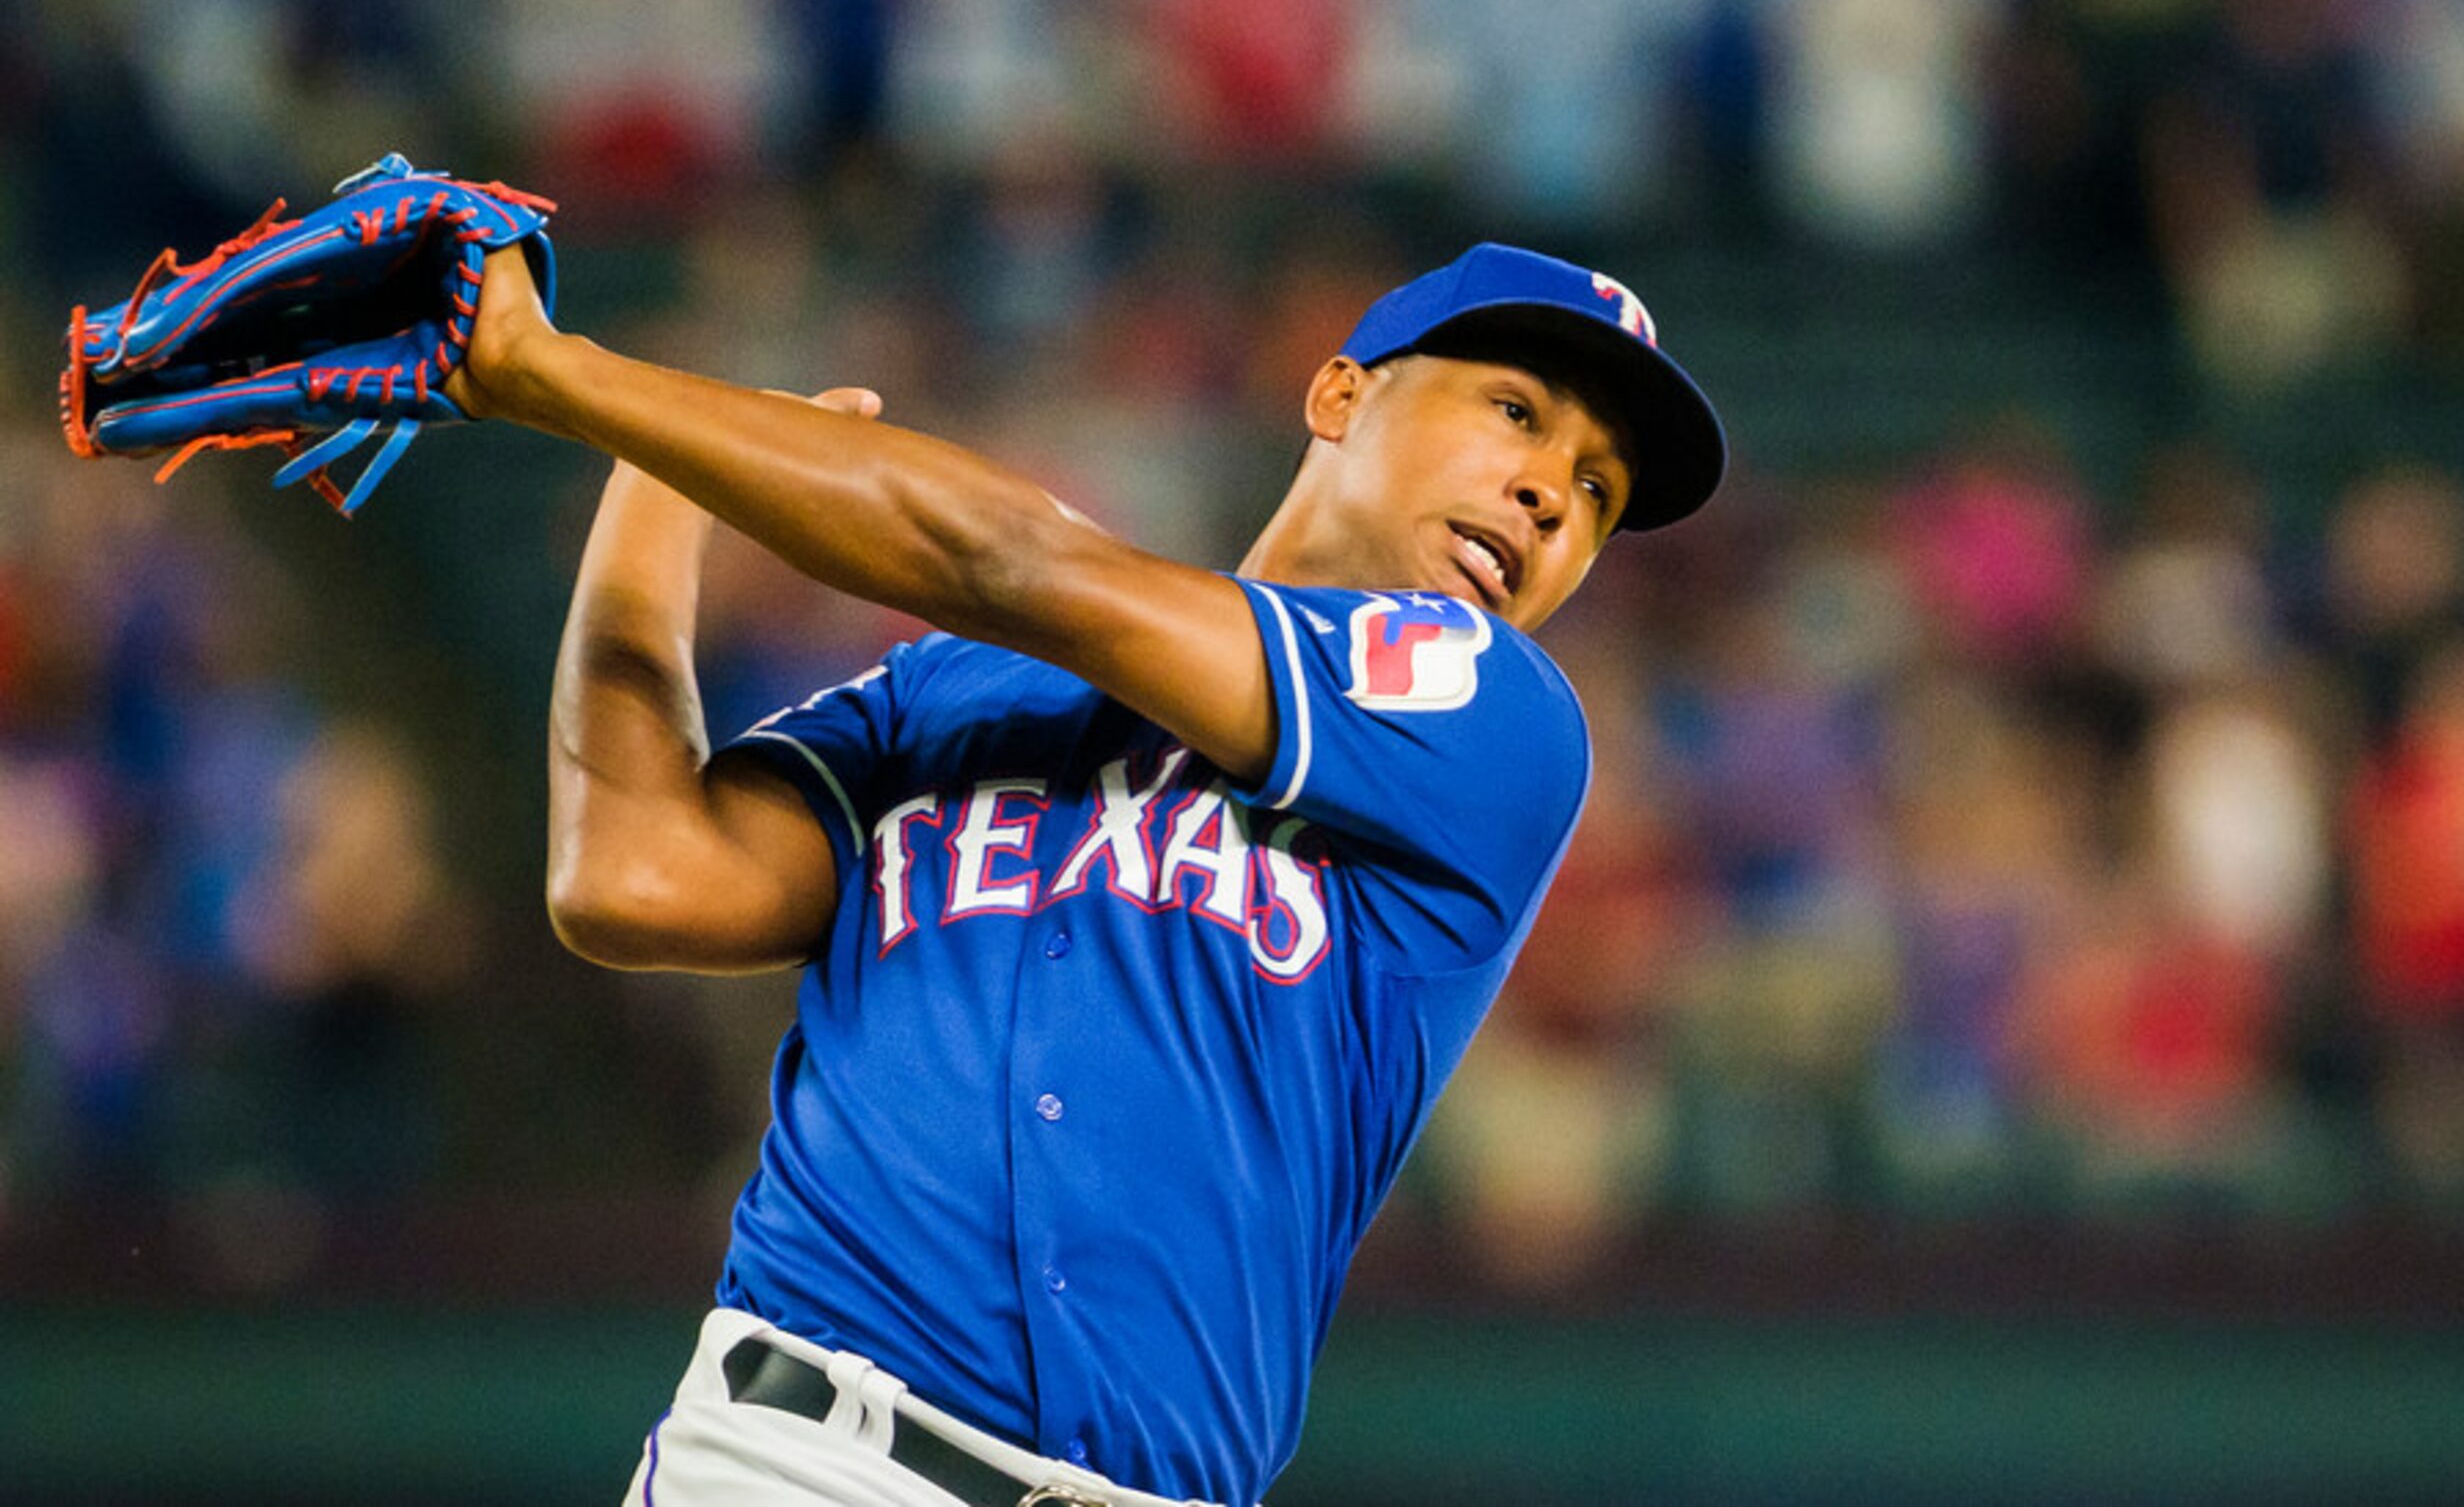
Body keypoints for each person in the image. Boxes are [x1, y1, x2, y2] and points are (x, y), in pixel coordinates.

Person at [444, 237, 1725, 1507]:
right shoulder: (958, 688)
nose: (1552, 494)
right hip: (808, 1462)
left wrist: (553, 373)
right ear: (1340, 394)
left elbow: (1012, 564)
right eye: (1515, 413)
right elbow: (636, 872)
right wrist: (655, 483)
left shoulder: (1494, 722)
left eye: (1598, 493)